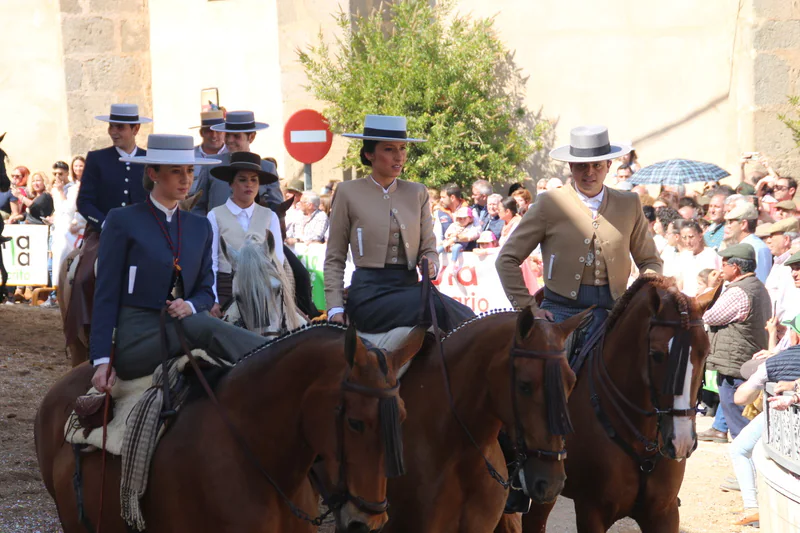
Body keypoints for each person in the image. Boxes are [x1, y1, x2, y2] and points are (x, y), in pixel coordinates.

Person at [89, 134, 267, 391]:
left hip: (187, 324)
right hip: (138, 337)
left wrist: (191, 305)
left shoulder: (200, 226)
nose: (186, 179)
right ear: (153, 173)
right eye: (176, 172)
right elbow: (105, 294)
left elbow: (207, 291)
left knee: (200, 324)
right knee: (203, 325)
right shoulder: (122, 221)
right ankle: (275, 355)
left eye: (190, 171)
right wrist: (102, 360)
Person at [324, 114, 473, 332]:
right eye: (389, 149)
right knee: (437, 304)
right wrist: (335, 308)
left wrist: (430, 264)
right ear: (369, 154)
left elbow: (429, 249)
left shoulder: (417, 192)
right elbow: (334, 257)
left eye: (402, 148)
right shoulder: (348, 192)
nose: (399, 156)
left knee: (444, 306)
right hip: (369, 295)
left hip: (412, 290)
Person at [497, 125, 661, 320]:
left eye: (597, 165)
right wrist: (529, 308)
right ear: (571, 167)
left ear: (609, 165)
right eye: (582, 165)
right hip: (559, 310)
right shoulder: (549, 203)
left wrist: (644, 296)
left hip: (616, 310)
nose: (589, 172)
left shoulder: (629, 203)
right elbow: (506, 260)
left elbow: (650, 261)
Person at [69, 103, 150, 348]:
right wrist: (107, 224)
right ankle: (86, 330)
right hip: (102, 232)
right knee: (83, 278)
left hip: (143, 233)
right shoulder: (97, 159)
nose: (114, 131)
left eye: (120, 127)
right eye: (111, 126)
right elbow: (84, 202)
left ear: (135, 128)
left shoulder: (150, 159)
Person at [703, 243, 771, 440]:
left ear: (736, 268)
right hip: (746, 358)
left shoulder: (738, 291)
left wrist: (711, 287)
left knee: (740, 427)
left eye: (724, 264)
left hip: (735, 362)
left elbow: (708, 316)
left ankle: (746, 458)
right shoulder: (757, 286)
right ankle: (721, 429)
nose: (720, 269)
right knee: (735, 409)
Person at [728, 346, 800, 526]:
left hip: (780, 416)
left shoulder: (774, 362)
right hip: (784, 417)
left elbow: (740, 398)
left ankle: (752, 507)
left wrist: (752, 381)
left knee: (739, 449)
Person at [207, 151, 282, 312]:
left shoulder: (270, 216)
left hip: (263, 289)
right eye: (242, 180)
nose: (249, 184)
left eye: (254, 180)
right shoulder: (215, 215)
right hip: (227, 287)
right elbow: (211, 262)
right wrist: (213, 298)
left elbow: (278, 260)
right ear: (231, 184)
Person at [191, 111, 283, 215]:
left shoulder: (267, 168)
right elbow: (198, 205)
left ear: (251, 137)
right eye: (227, 135)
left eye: (236, 136)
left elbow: (277, 208)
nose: (230, 140)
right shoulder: (211, 165)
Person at [723, 202, 773, 283]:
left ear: (743, 224)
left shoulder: (758, 248)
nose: (729, 226)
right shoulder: (744, 245)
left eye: (731, 222)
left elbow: (760, 281)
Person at [674, 219, 720, 297]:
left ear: (700, 236)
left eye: (691, 237)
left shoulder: (710, 254)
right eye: (684, 238)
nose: (688, 241)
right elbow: (680, 281)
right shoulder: (684, 255)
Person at [188, 110, 228, 195]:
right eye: (209, 131)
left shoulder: (232, 156)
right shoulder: (189, 155)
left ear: (225, 132)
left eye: (218, 131)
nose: (214, 135)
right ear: (201, 133)